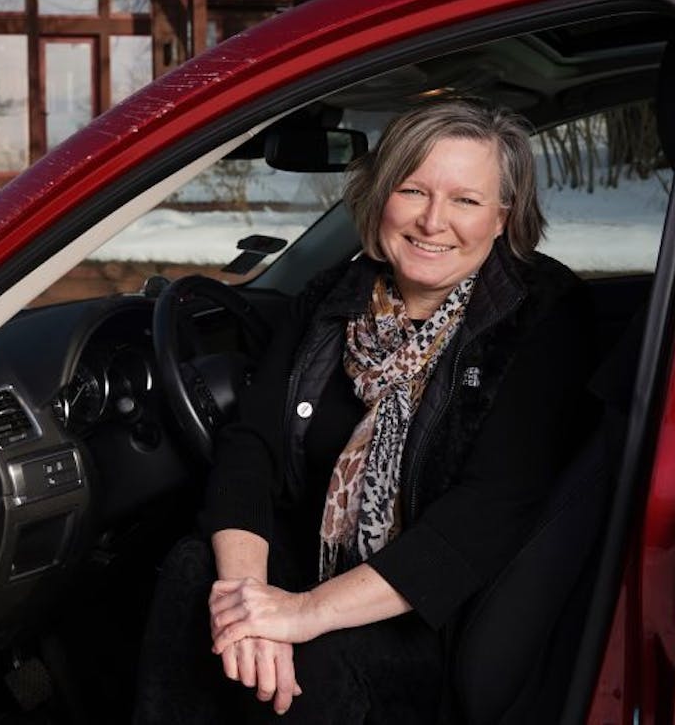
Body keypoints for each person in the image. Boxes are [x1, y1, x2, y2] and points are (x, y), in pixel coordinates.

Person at [135, 98, 597, 723]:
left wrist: (301, 614)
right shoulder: (334, 297)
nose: (434, 221)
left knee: (317, 660)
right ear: (381, 196)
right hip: (316, 569)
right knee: (198, 576)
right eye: (413, 190)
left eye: (465, 200)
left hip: (436, 611)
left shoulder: (539, 315)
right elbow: (253, 447)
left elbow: (488, 513)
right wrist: (248, 601)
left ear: (501, 218)